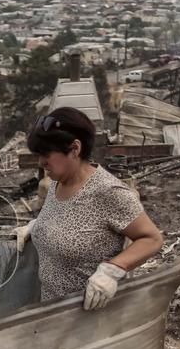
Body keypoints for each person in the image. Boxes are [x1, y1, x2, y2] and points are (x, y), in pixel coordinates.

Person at [15, 107, 164, 310]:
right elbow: (68, 219)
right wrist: (38, 226)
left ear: (75, 149)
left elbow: (152, 239)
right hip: (51, 311)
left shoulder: (108, 192)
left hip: (87, 318)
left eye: (46, 154)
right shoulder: (58, 183)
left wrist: (112, 270)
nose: (41, 163)